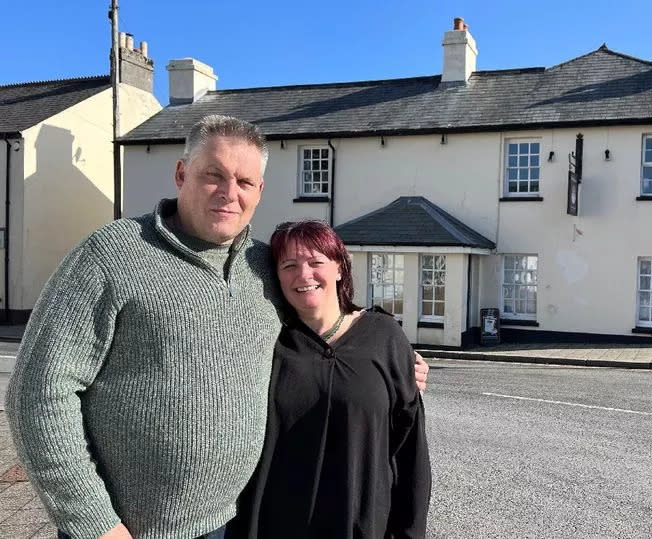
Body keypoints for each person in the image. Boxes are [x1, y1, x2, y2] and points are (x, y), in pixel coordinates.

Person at [4, 115, 428, 539]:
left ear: (259, 192)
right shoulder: (110, 256)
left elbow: (320, 331)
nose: (229, 193)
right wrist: (95, 523)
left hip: (231, 522)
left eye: (245, 182)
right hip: (127, 530)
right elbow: (38, 393)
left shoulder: (265, 268)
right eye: (214, 175)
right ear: (181, 173)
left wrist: (391, 362)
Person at [235, 220, 431, 538]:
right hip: (280, 523)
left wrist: (410, 531)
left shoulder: (384, 335)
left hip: (363, 524)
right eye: (289, 265)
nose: (304, 275)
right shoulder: (268, 343)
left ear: (339, 267)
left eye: (316, 262)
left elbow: (410, 448)